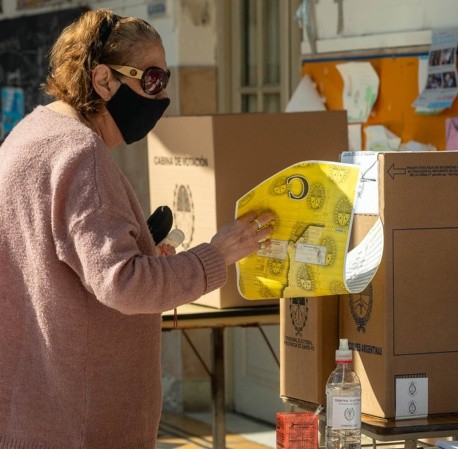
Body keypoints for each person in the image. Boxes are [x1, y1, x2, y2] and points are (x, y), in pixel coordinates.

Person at [0, 9, 274, 448]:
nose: (160, 96)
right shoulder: (80, 155)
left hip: (32, 416)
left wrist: (144, 255)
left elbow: (63, 265)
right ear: (104, 79)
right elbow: (122, 285)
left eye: (164, 79)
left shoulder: (27, 136)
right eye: (150, 80)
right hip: (82, 428)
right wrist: (216, 255)